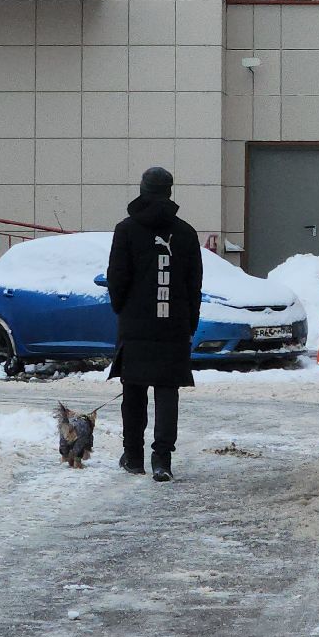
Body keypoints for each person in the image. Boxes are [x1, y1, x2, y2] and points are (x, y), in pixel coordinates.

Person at [106, 167, 202, 483]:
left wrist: (124, 310)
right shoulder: (186, 233)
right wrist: (189, 322)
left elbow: (117, 279)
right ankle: (162, 459)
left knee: (133, 391)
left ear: (143, 190)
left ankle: (133, 457)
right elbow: (194, 284)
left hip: (136, 325)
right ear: (169, 192)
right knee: (167, 390)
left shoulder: (126, 230)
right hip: (173, 325)